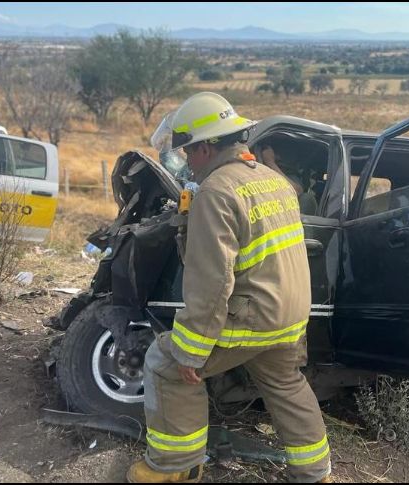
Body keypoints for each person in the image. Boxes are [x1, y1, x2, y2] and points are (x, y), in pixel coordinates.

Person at [128, 92, 331, 484]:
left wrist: (192, 350)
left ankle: (175, 467)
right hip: (289, 318)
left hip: (252, 317)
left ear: (205, 147)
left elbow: (212, 281)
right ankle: (315, 473)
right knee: (286, 383)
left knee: (166, 363)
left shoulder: (218, 191)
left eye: (188, 151)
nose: (186, 159)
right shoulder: (273, 181)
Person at [260, 144, 318, 216]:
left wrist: (270, 163)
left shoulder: (291, 176)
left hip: (285, 219)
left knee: (307, 198)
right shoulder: (260, 172)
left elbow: (297, 191)